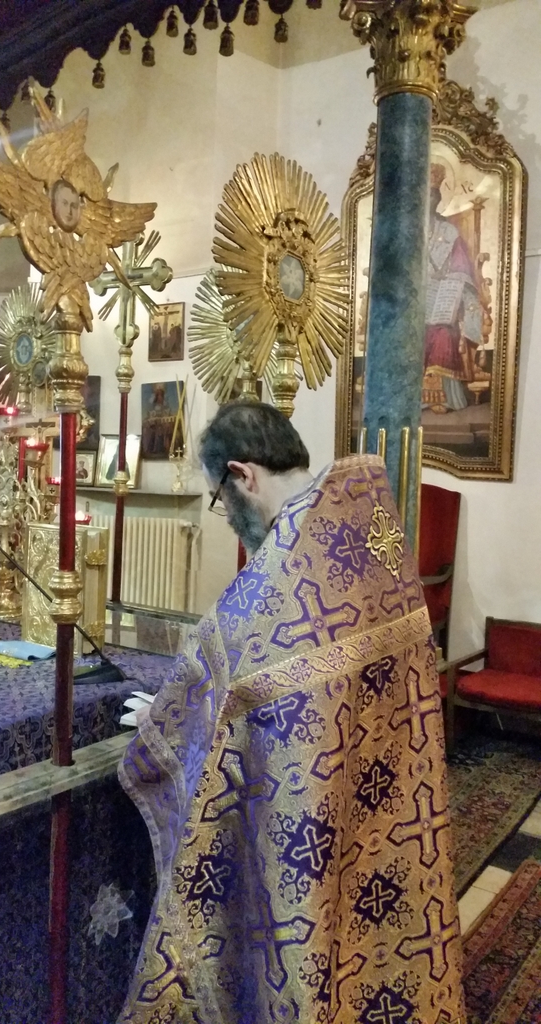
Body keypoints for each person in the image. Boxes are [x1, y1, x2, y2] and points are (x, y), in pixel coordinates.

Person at [118, 402, 464, 1024]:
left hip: (310, 804)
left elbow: (220, 677)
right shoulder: (369, 520)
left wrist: (163, 723)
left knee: (306, 935)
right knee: (370, 936)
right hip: (387, 783)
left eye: (219, 500)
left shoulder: (281, 570)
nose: (228, 519)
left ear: (242, 475)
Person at [423, 163, 483, 413]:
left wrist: (447, 279)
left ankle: (442, 397)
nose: (429, 200)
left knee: (444, 335)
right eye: (424, 195)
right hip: (413, 301)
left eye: (433, 195)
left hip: (441, 300)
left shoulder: (449, 231)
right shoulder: (405, 232)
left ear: (438, 199)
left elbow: (462, 268)